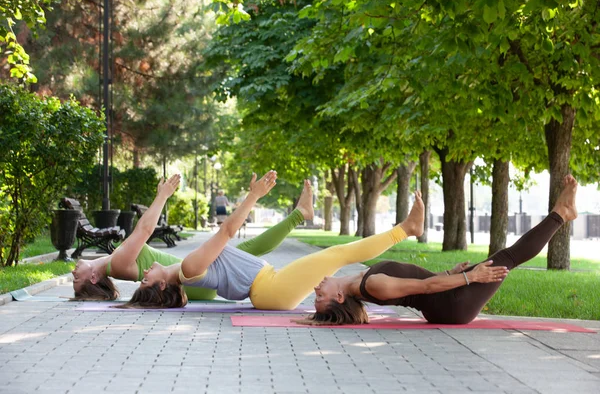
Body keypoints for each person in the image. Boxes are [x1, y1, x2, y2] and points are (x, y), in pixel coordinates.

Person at [124, 173, 427, 310]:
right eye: (144, 282)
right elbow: (227, 232)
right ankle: (406, 229)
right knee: (339, 253)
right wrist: (254, 195)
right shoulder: (189, 268)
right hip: (270, 289)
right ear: (161, 285)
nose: (143, 275)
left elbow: (232, 241)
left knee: (341, 261)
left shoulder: (186, 270)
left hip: (270, 286)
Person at [306, 175, 579, 325]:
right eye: (321, 297)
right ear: (340, 297)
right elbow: (424, 289)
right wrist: (472, 277)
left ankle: (562, 213)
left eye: (315, 296)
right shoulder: (373, 284)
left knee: (506, 257)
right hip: (452, 306)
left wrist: (450, 272)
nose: (316, 291)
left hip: (448, 296)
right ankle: (562, 214)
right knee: (508, 257)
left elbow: (419, 282)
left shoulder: (360, 280)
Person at [71, 170, 313, 302]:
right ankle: (300, 214)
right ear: (93, 278)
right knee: (244, 246)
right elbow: (144, 231)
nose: (73, 274)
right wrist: (163, 196)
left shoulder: (116, 263)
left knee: (248, 248)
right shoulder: (119, 264)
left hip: (191, 276)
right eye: (76, 280)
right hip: (193, 279)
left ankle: (300, 213)